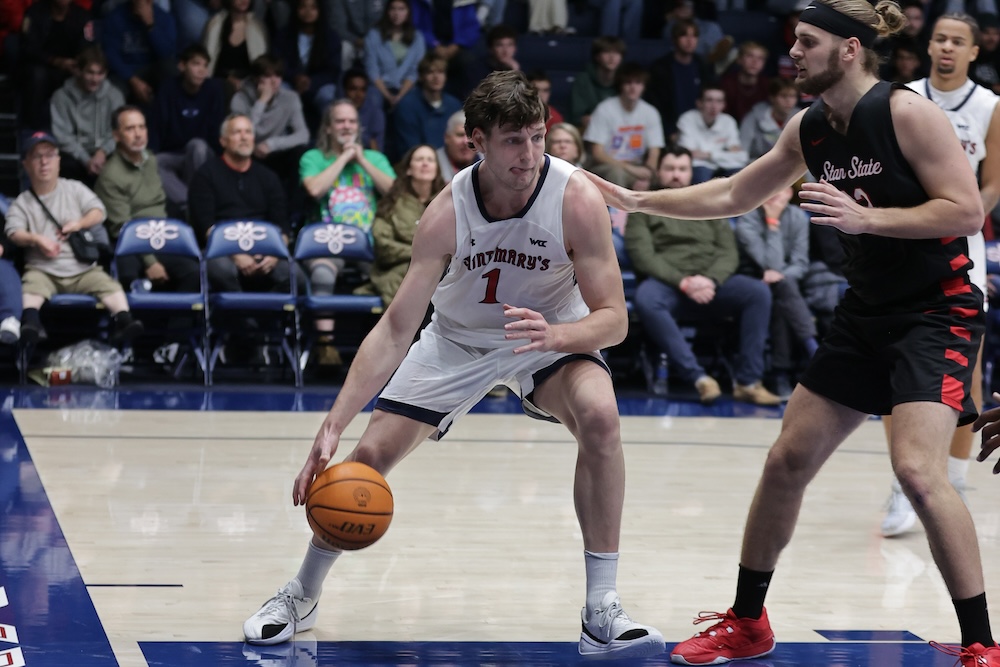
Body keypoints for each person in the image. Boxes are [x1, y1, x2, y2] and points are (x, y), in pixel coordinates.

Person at [585, 0, 1000, 664]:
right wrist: (636, 200)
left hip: (937, 309)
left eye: (806, 42)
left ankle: (982, 642)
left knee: (918, 471)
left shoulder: (905, 114)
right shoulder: (808, 128)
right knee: (785, 460)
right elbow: (732, 194)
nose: (793, 53)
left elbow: (965, 208)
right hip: (866, 311)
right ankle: (748, 621)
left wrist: (870, 222)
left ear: (848, 50)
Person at [242, 70, 666, 660]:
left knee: (601, 418)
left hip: (547, 335)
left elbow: (614, 319)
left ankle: (602, 607)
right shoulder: (446, 210)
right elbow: (395, 328)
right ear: (477, 142)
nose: (530, 154)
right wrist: (334, 421)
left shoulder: (576, 199)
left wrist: (559, 334)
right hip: (458, 340)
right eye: (514, 140)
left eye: (538, 137)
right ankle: (301, 592)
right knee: (367, 459)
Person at [879, 12, 1000, 538]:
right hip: (906, 238)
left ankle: (951, 478)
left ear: (975, 51)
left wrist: (957, 212)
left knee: (964, 367)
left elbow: (991, 186)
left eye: (958, 41)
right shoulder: (903, 96)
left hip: (961, 240)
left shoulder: (990, 106)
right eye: (940, 39)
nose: (947, 48)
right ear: (928, 46)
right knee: (891, 359)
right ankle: (903, 484)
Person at [625, 146, 781, 406]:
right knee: (646, 298)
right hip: (669, 285)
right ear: (659, 172)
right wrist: (683, 282)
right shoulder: (643, 205)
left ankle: (749, 382)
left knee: (758, 292)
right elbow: (643, 257)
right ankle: (699, 378)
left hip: (712, 283)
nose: (676, 175)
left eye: (682, 169)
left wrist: (710, 280)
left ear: (690, 172)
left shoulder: (706, 201)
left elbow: (728, 252)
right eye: (670, 169)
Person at [5, 132, 144, 347]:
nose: (44, 162)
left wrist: (78, 224)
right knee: (31, 285)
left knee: (108, 284)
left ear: (59, 160)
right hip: (43, 269)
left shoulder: (74, 188)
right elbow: (13, 232)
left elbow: (99, 211)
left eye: (50, 155)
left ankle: (124, 321)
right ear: (26, 164)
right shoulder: (22, 202)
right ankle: (32, 325)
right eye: (37, 156)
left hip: (82, 269)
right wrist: (36, 239)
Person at [299, 99, 395, 364]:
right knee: (321, 273)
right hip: (326, 243)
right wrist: (343, 157)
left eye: (352, 121)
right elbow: (315, 189)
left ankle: (386, 350)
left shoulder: (375, 158)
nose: (346, 126)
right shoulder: (314, 158)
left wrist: (361, 159)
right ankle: (325, 346)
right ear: (328, 127)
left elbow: (393, 191)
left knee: (393, 275)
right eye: (340, 121)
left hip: (368, 244)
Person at [94, 105, 201, 293]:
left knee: (194, 273)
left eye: (142, 127)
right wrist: (151, 262)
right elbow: (122, 228)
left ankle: (177, 323)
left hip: (162, 234)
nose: (138, 134)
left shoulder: (151, 160)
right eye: (130, 129)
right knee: (127, 273)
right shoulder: (110, 175)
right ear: (116, 136)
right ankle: (133, 323)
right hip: (131, 242)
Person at [734, 185, 818, 399]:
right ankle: (815, 352)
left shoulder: (798, 217)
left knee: (783, 293)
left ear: (789, 194)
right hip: (752, 280)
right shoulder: (747, 217)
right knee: (781, 293)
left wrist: (782, 276)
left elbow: (800, 263)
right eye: (768, 190)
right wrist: (772, 224)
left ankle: (781, 373)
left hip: (784, 283)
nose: (773, 195)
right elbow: (768, 263)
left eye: (779, 190)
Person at [149, 44, 227, 217]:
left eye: (205, 66)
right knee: (153, 162)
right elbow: (156, 126)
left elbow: (217, 131)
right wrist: (152, 152)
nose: (201, 70)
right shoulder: (168, 89)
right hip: (175, 153)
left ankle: (197, 199)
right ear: (182, 66)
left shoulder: (213, 90)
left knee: (197, 145)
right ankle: (189, 203)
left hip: (203, 154)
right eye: (196, 64)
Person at [365, 144, 444, 305]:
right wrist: (417, 253)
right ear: (408, 169)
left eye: (430, 160)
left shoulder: (447, 203)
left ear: (437, 169)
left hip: (440, 269)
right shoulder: (392, 203)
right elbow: (382, 245)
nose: (425, 163)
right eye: (419, 159)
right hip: (397, 270)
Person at [49, 45, 126, 186]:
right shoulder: (61, 97)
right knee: (64, 164)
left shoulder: (114, 96)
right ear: (78, 71)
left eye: (100, 73)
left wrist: (102, 152)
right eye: (90, 72)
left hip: (105, 152)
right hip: (75, 155)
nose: (95, 79)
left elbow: (119, 131)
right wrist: (86, 159)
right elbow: (63, 136)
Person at [584, 62, 665, 190]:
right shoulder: (604, 109)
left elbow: (654, 151)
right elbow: (597, 153)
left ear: (644, 86)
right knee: (617, 172)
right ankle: (617, 211)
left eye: (638, 83)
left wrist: (648, 172)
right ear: (621, 85)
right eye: (628, 83)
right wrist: (630, 168)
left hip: (638, 165)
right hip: (606, 165)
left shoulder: (650, 112)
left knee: (665, 174)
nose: (633, 87)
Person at [18, 0, 93, 130]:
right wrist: (55, 61)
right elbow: (28, 48)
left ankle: (77, 129)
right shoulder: (35, 13)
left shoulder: (82, 16)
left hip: (70, 66)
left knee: (87, 76)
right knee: (38, 76)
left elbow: (87, 47)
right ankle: (33, 129)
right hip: (40, 64)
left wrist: (78, 64)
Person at [644, 19, 716, 141]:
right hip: (668, 133)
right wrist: (669, 132)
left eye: (694, 36)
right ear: (674, 39)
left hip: (700, 133)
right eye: (684, 35)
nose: (689, 40)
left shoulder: (703, 66)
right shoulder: (660, 68)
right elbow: (655, 106)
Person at [100, 0, 177, 107]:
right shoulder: (115, 17)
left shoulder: (164, 18)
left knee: (170, 69)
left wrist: (150, 25)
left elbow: (167, 54)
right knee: (112, 91)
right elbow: (111, 56)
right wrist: (133, 80)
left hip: (152, 70)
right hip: (125, 73)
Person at [389, 54, 462, 162]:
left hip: (453, 166)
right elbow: (410, 150)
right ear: (421, 76)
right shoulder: (407, 106)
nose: (436, 77)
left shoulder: (454, 105)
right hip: (422, 164)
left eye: (441, 72)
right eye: (430, 72)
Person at [677, 84, 749, 184]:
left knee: (740, 174)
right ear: (699, 103)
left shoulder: (728, 121)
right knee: (701, 174)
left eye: (719, 101)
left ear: (724, 105)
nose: (714, 106)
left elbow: (740, 156)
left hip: (725, 165)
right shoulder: (687, 119)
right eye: (709, 100)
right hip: (700, 166)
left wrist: (709, 155)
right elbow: (689, 154)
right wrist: (725, 153)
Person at [363, 0, 425, 111]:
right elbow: (372, 70)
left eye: (401, 9)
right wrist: (388, 96)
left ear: (408, 12)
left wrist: (400, 96)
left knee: (412, 101)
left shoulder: (417, 38)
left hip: (407, 88)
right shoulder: (373, 36)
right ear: (387, 11)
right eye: (393, 9)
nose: (397, 13)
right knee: (373, 98)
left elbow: (414, 71)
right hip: (379, 88)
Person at [568, 36, 625, 131]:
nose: (612, 57)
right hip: (589, 130)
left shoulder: (626, 80)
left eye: (616, 53)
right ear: (597, 56)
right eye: (606, 52)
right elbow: (576, 116)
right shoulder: (583, 79)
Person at [739, 77, 800, 159]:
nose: (788, 100)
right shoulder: (754, 117)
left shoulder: (801, 118)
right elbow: (743, 149)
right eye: (783, 96)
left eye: (792, 96)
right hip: (756, 164)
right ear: (772, 98)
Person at [718, 41, 772, 124]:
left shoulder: (767, 85)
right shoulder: (727, 83)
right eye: (750, 56)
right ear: (739, 59)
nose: (755, 61)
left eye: (760, 58)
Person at [342, 68, 386, 152]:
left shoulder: (376, 114)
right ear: (344, 90)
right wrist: (368, 140)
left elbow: (377, 151)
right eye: (353, 89)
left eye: (363, 90)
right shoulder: (333, 113)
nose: (358, 94)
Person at [435, 110, 477, 183]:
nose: (466, 141)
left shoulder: (488, 159)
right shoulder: (433, 162)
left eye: (470, 136)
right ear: (447, 137)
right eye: (460, 135)